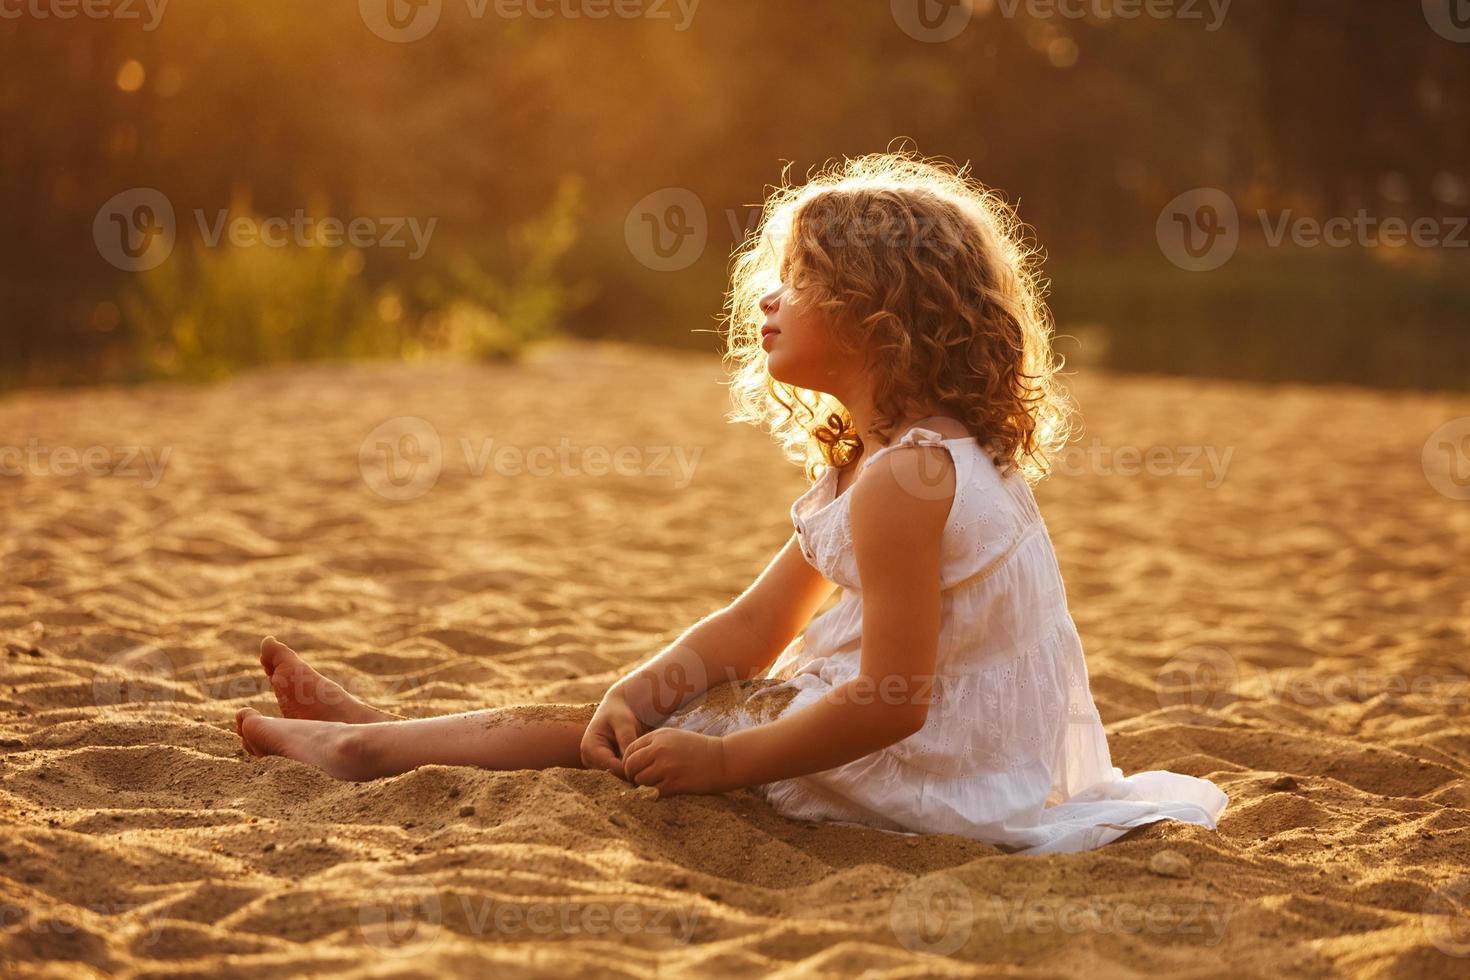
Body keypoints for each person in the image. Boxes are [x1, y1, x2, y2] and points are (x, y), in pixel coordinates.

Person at [235, 150, 1227, 854]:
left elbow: (896, 699)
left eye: (799, 278)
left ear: (881, 312)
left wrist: (731, 761)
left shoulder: (906, 481)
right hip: (927, 753)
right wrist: (638, 681)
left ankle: (365, 743)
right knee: (616, 712)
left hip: (918, 778)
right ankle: (384, 733)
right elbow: (756, 621)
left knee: (603, 736)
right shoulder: (897, 462)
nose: (766, 297)